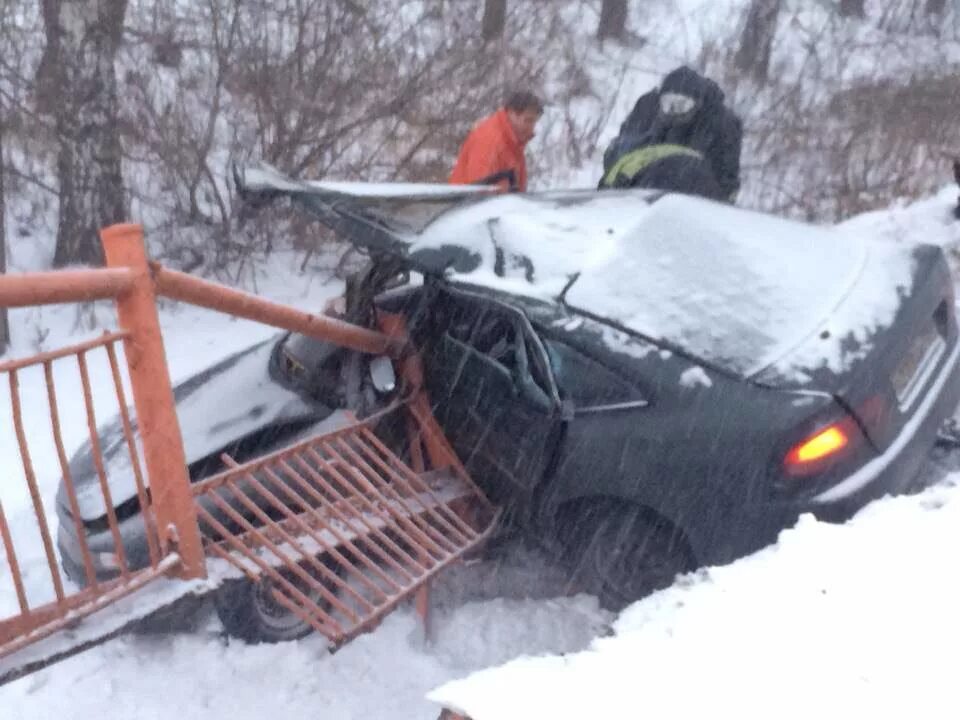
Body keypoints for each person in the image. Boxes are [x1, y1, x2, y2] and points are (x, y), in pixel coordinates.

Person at [599, 66, 742, 202]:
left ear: (697, 104)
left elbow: (726, 179)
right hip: (639, 193)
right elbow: (621, 150)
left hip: (692, 198)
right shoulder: (647, 112)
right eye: (667, 103)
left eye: (681, 105)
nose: (673, 111)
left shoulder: (718, 125)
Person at [449, 90, 544, 192]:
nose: (532, 128)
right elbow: (479, 192)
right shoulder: (490, 141)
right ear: (511, 113)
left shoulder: (513, 142)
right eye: (528, 120)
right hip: (467, 205)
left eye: (534, 122)